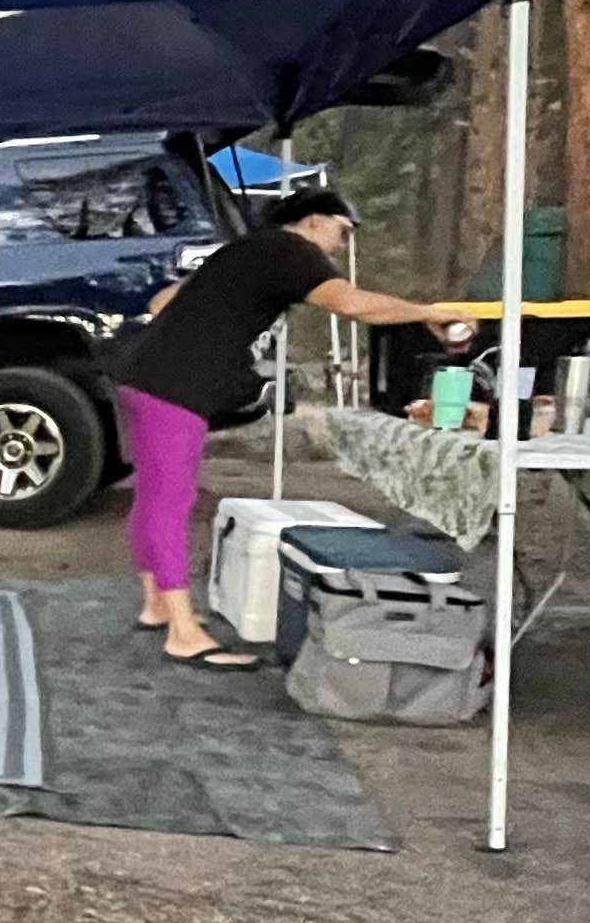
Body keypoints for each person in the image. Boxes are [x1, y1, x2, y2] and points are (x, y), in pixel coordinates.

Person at [115, 185, 476, 668]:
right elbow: (350, 305)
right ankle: (184, 632)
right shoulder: (291, 250)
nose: (340, 246)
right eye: (341, 232)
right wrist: (430, 312)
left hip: (140, 375)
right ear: (311, 220)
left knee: (154, 495)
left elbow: (163, 302)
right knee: (171, 500)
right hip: (175, 387)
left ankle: (156, 602)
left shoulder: (244, 249)